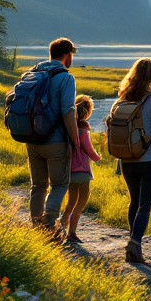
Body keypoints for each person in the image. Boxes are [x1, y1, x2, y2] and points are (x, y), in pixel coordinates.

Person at [116, 58, 151, 264]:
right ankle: (135, 243)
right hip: (150, 159)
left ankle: (132, 243)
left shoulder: (122, 98)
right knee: (144, 206)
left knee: (134, 201)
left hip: (127, 159)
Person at [26, 37, 79, 236]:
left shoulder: (33, 73)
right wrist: (75, 139)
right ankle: (49, 222)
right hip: (55, 141)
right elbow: (68, 111)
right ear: (67, 55)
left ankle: (35, 226)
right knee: (59, 184)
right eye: (71, 54)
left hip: (32, 139)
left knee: (38, 185)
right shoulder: (65, 78)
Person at [62, 94, 100, 244]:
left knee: (70, 204)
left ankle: (61, 229)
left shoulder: (66, 129)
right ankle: (72, 233)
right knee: (80, 205)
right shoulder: (83, 131)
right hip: (83, 173)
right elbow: (89, 150)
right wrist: (98, 158)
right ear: (86, 112)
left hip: (70, 173)